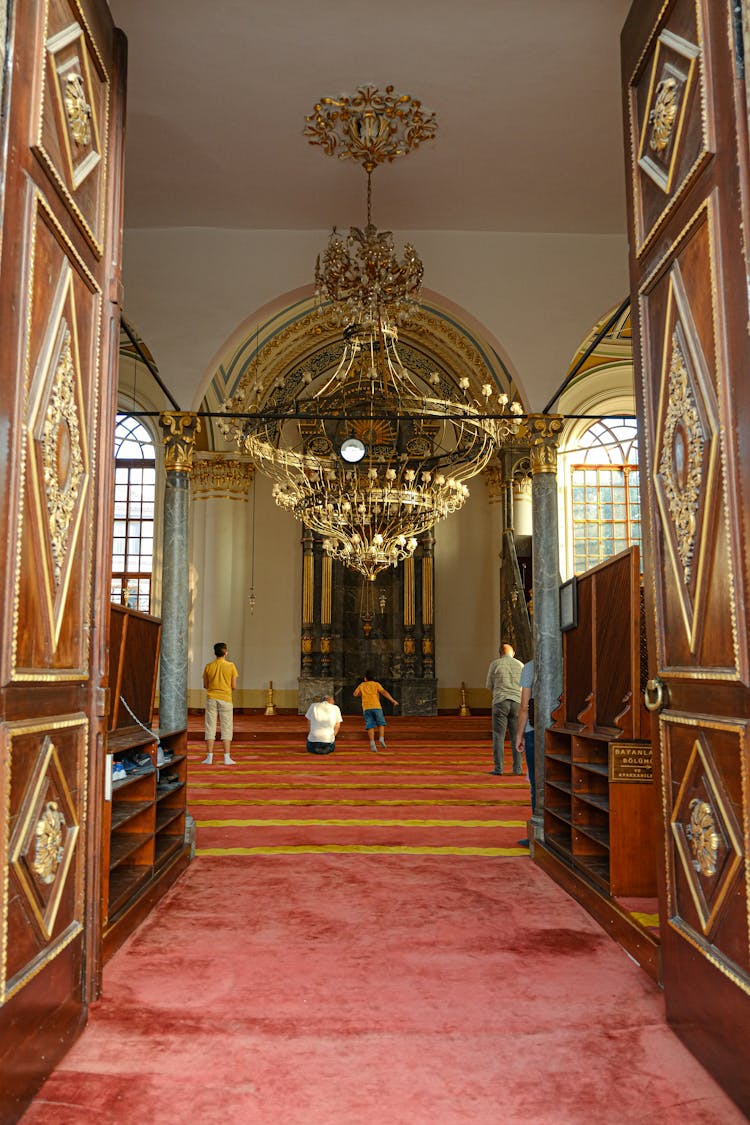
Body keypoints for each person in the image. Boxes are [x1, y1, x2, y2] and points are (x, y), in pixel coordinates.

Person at [485, 642, 523, 775]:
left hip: (500, 702)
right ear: (513, 653)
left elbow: (489, 685)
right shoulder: (520, 665)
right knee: (516, 737)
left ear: (500, 653)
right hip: (517, 703)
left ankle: (498, 769)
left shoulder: (495, 664)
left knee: (498, 736)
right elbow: (524, 687)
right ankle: (517, 769)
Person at [201, 642, 239, 765]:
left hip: (211, 698)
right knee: (227, 727)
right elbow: (233, 686)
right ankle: (227, 757)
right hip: (226, 699)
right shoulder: (231, 666)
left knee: (210, 726)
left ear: (214, 653)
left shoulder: (208, 666)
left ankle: (209, 757)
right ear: (225, 652)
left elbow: (205, 685)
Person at [515, 658, 535, 847]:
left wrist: (519, 735)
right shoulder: (566, 662)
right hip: (561, 727)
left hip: (533, 730)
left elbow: (525, 706)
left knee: (537, 782)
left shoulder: (530, 667)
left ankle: (538, 831)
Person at [353, 671, 398, 752]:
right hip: (376, 707)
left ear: (365, 678)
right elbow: (384, 692)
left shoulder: (362, 685)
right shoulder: (376, 684)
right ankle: (381, 738)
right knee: (381, 723)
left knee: (370, 725)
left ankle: (372, 743)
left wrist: (362, 693)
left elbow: (355, 694)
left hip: (366, 708)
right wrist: (392, 700)